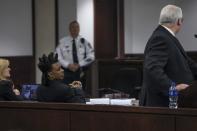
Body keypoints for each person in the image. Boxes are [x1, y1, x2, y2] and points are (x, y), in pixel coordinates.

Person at [140, 5, 197, 107]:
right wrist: (173, 88)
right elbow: (152, 69)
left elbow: (189, 64)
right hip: (162, 105)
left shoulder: (166, 36)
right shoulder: (160, 38)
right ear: (179, 21)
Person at [56, 20, 95, 86]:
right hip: (66, 72)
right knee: (66, 91)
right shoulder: (62, 42)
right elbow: (57, 56)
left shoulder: (84, 41)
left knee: (79, 92)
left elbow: (91, 56)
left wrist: (79, 64)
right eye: (73, 27)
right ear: (69, 29)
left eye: (77, 27)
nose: (75, 29)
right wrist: (68, 65)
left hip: (80, 71)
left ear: (79, 29)